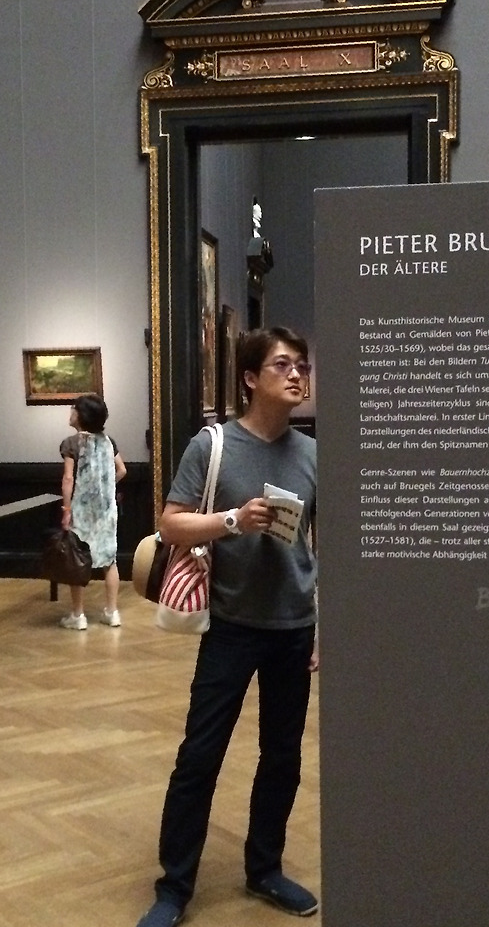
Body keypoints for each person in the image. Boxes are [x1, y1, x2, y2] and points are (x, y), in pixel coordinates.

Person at [136, 326, 319, 927]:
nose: (297, 375)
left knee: (282, 757)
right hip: (231, 626)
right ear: (249, 378)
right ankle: (174, 889)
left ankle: (265, 869)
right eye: (283, 365)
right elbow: (171, 524)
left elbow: (323, 544)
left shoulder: (313, 453)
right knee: (200, 755)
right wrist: (235, 520)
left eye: (302, 366)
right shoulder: (212, 445)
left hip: (294, 625)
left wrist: (324, 626)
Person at [58, 393, 127, 630]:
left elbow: (68, 479)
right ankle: (112, 612)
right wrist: (106, 487)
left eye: (74, 409)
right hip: (106, 509)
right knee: (110, 560)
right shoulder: (109, 441)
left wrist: (66, 508)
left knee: (77, 559)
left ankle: (78, 616)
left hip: (81, 510)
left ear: (81, 415)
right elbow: (122, 470)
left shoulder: (71, 443)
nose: (71, 413)